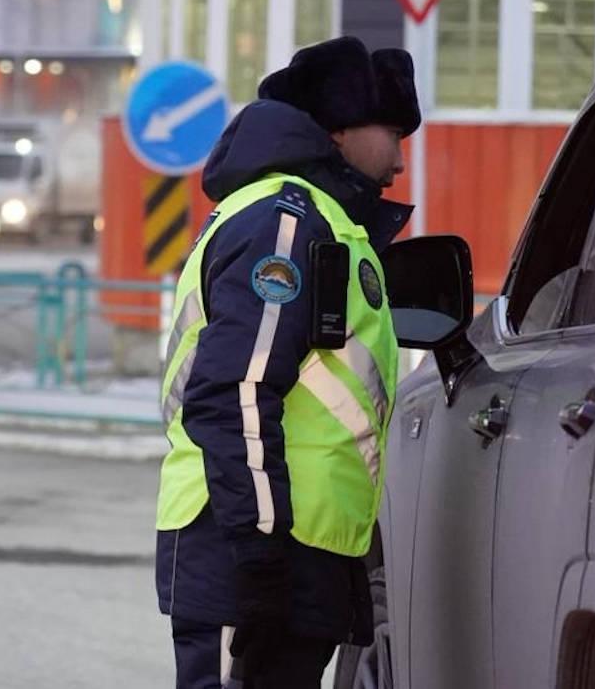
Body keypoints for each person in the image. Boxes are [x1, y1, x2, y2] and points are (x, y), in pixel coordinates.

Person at [155, 36, 421, 688]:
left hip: (288, 547)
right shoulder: (286, 221)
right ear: (340, 130)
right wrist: (259, 549)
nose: (399, 159)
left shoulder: (317, 220)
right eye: (392, 132)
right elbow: (236, 389)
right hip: (254, 545)